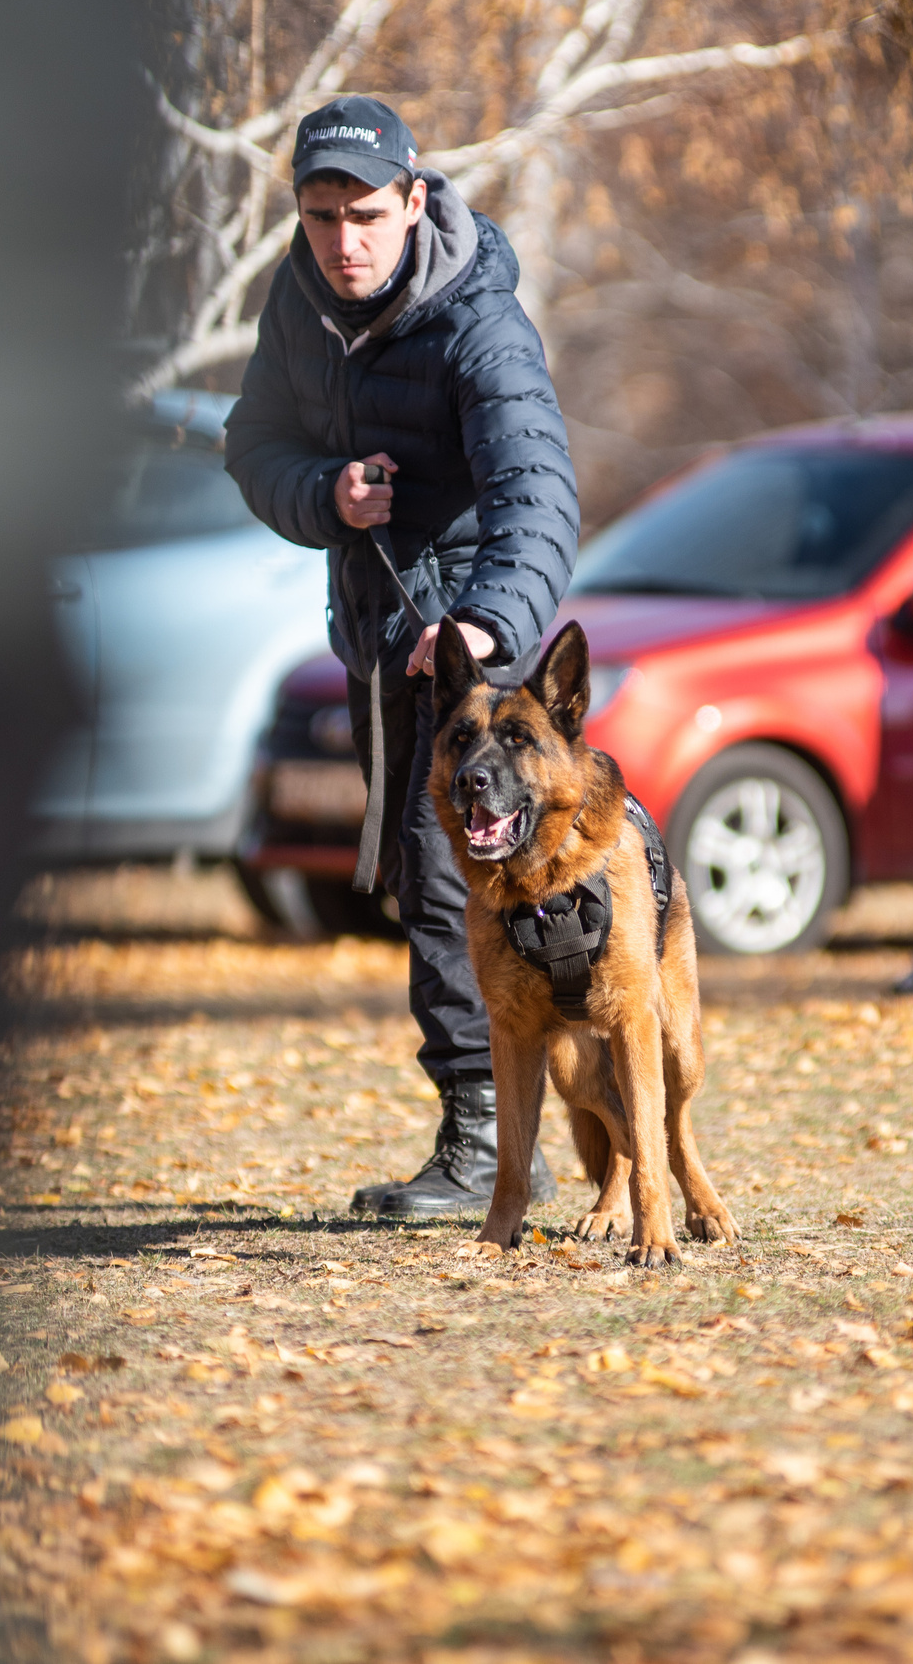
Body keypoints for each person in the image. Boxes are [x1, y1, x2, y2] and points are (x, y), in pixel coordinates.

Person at [226, 95, 580, 1217]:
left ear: (415, 201)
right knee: (425, 889)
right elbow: (253, 445)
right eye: (321, 214)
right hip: (380, 641)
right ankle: (496, 1136)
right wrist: (322, 493)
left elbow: (540, 496)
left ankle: (493, 1148)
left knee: (453, 882)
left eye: (367, 213)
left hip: (469, 659)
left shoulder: (478, 322)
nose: (344, 240)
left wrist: (480, 627)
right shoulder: (300, 300)